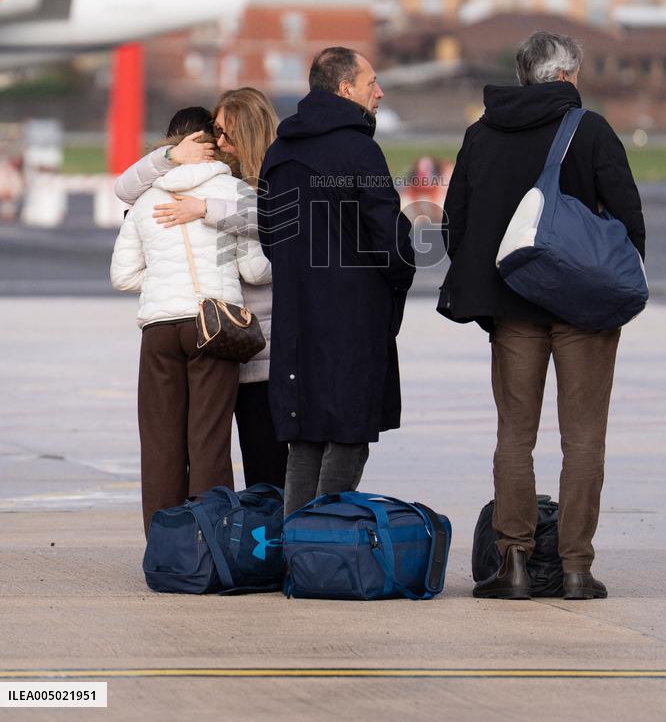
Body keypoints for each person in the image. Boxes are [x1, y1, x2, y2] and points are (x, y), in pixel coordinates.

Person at [438, 31, 646, 600]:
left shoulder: (482, 133)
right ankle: (576, 568)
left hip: (512, 308)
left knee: (514, 436)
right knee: (583, 440)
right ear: (566, 75)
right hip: (584, 309)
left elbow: (455, 221)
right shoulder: (591, 130)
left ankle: (514, 565)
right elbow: (629, 221)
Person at [258, 47, 416, 517]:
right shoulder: (360, 150)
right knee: (348, 434)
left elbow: (270, 237)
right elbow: (389, 244)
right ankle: (322, 543)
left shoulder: (279, 151)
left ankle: (296, 551)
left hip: (296, 318)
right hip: (353, 320)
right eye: (372, 83)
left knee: (303, 437)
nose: (380, 91)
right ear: (346, 90)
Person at [114, 91, 288, 490]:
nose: (220, 143)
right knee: (211, 448)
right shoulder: (221, 183)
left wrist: (203, 212)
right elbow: (258, 268)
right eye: (215, 134)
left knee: (248, 457)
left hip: (258, 342)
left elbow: (277, 219)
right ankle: (212, 536)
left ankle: (176, 539)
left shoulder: (266, 183)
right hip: (224, 333)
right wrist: (173, 159)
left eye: (226, 134)